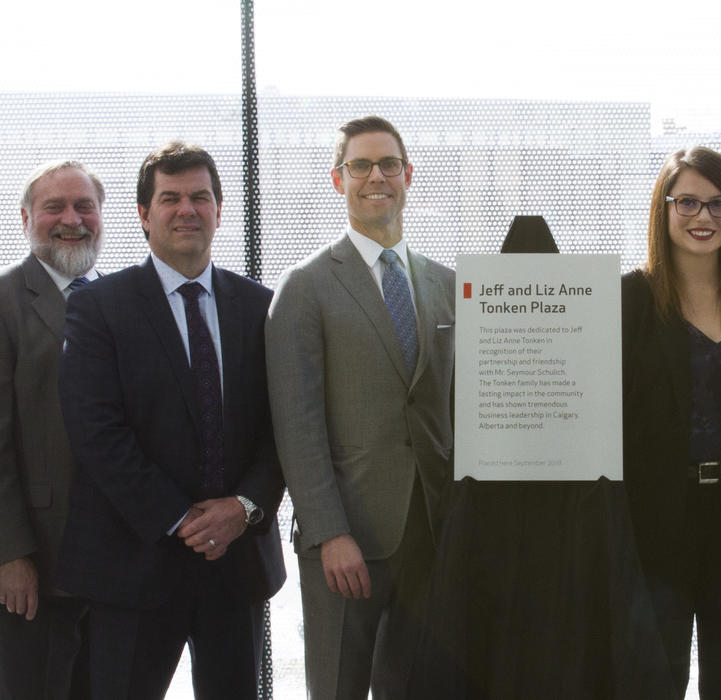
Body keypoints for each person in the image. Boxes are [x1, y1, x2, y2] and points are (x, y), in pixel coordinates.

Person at [54, 142, 285, 699]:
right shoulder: (97, 307)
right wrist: (181, 518)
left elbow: (284, 428)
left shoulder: (262, 306)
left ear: (219, 210)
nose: (187, 209)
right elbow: (96, 432)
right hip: (134, 564)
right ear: (143, 214)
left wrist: (244, 508)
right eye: (171, 198)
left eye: (201, 197)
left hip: (236, 565)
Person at [266, 115, 455, 700]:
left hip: (432, 534)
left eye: (389, 164)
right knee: (339, 688)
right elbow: (297, 427)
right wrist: (329, 533)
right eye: (361, 165)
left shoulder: (447, 283)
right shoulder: (305, 287)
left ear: (408, 175)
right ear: (338, 179)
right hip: (346, 542)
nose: (377, 176)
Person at [622, 146, 721, 698]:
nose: (703, 217)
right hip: (652, 528)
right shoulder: (627, 301)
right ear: (662, 210)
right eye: (687, 201)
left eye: (718, 204)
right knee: (652, 682)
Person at [0, 160, 107, 700]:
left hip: (119, 566)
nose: (72, 219)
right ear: (26, 218)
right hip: (35, 561)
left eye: (85, 206)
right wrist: (7, 555)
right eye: (54, 208)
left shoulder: (124, 299)